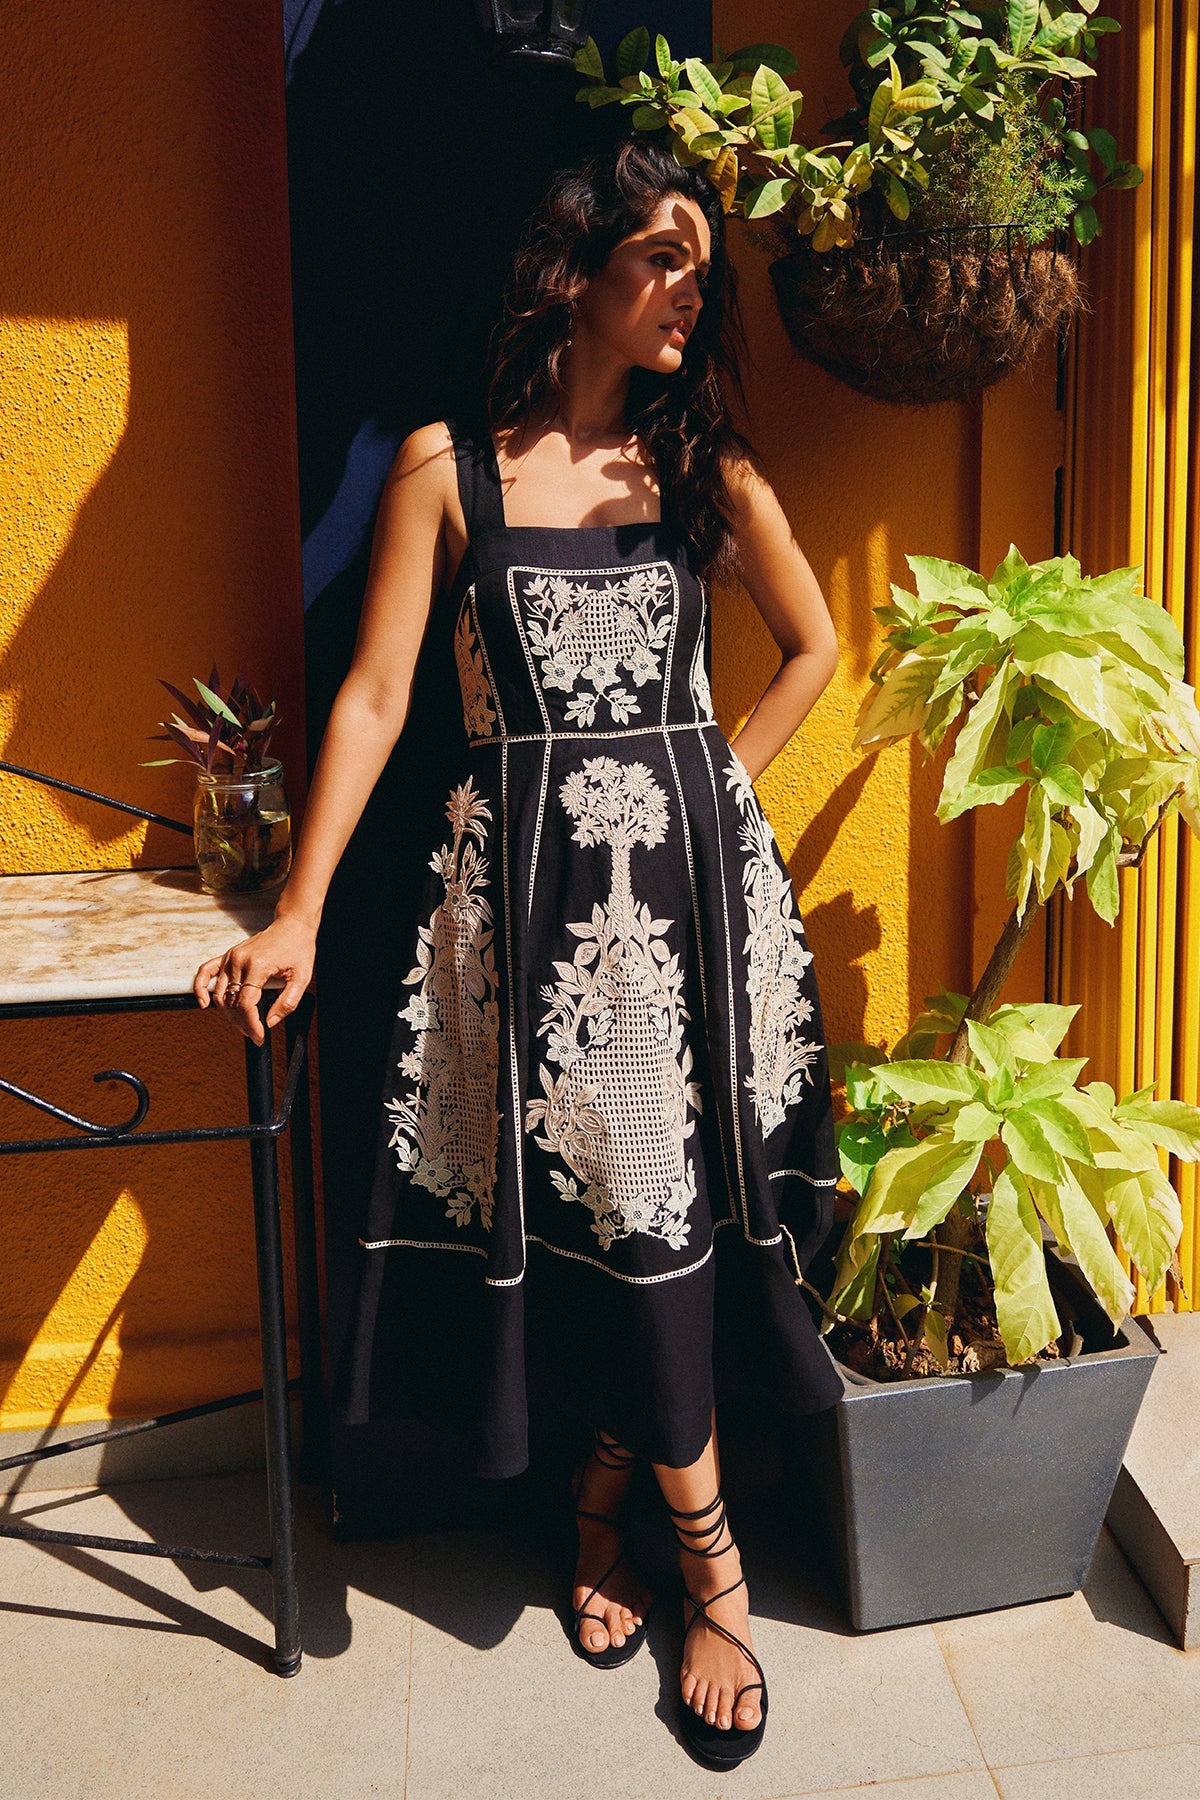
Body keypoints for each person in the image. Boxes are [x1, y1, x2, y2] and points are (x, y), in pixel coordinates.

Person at [194, 133, 841, 1770]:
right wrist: (300, 908)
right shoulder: (446, 470)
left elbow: (818, 644)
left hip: (687, 903)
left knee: (659, 1198)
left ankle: (691, 1552)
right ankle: (631, 1502)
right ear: (578, 271)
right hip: (534, 911)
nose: (695, 291)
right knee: (616, 1204)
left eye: (705, 267)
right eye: (667, 258)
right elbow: (376, 698)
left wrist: (717, 798)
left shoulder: (704, 471)